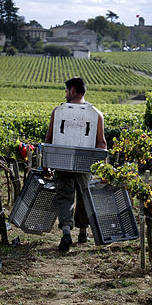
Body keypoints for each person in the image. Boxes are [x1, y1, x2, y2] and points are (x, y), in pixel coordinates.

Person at [45, 77, 106, 252]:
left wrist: (47, 163)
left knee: (65, 195)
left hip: (61, 160)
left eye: (66, 91)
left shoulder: (58, 111)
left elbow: (49, 140)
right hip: (86, 162)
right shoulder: (96, 114)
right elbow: (101, 143)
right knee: (85, 195)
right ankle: (83, 232)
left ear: (72, 90)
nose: (65, 94)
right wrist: (100, 166)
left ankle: (66, 233)